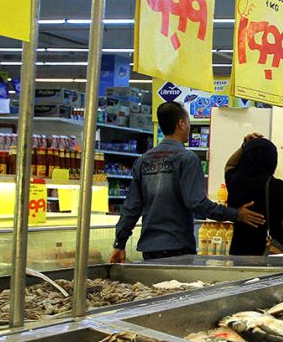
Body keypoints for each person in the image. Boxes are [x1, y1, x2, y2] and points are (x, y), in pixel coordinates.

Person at [109, 102, 264, 262]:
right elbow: (197, 203)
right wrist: (235, 214)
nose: (189, 127)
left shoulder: (143, 160)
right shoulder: (186, 159)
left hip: (149, 249)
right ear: (181, 124)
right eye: (188, 122)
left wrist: (119, 244)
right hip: (178, 248)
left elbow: (131, 208)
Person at [224, 135, 283, 255]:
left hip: (238, 253)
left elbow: (229, 165)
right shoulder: (277, 186)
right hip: (268, 253)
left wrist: (244, 147)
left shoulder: (235, 182)